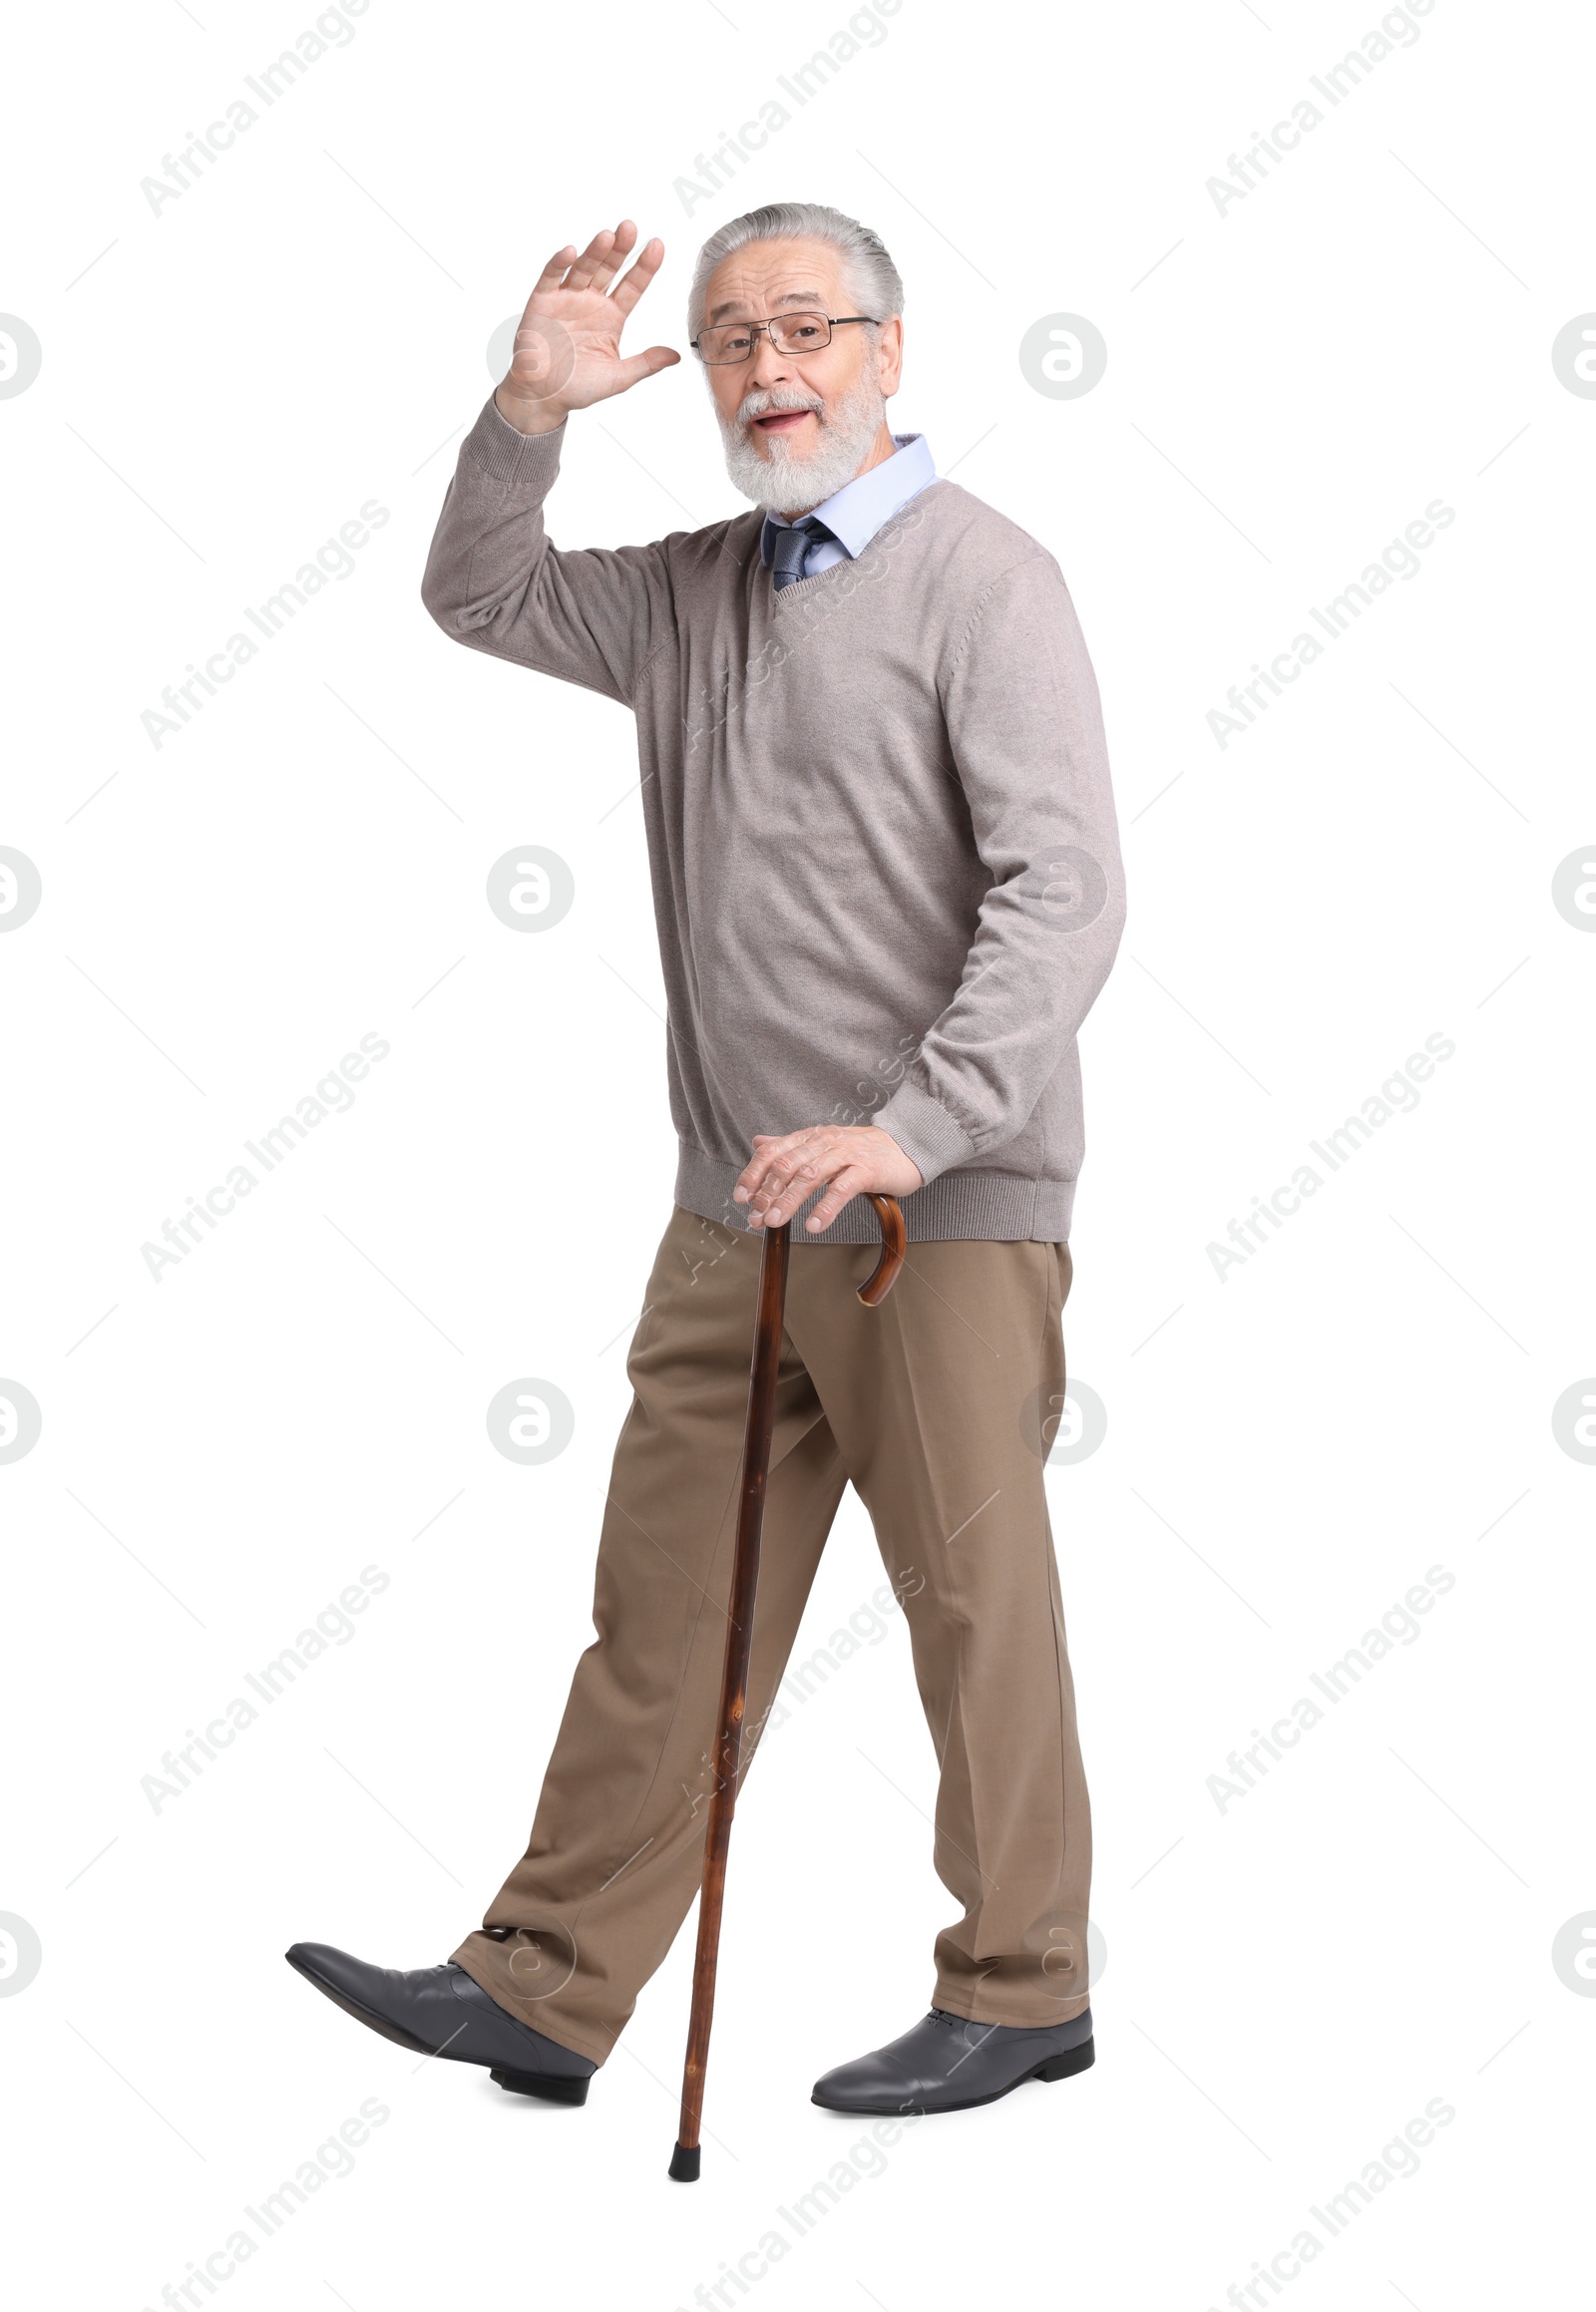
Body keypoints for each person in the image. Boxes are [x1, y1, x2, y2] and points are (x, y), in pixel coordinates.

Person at [288, 200, 1125, 2120]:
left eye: (809, 331)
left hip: (938, 1210)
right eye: (739, 338)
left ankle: (1024, 1985)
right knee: (666, 1602)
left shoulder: (991, 583)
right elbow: (478, 596)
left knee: (973, 1606)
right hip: (730, 1207)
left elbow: (1065, 895)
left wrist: (911, 1125)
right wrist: (527, 410)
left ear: (892, 354)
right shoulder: (687, 591)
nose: (768, 368)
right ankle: (548, 1982)